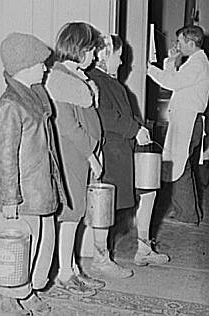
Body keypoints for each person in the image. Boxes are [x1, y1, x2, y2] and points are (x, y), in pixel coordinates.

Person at [0, 32, 66, 315]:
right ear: (24, 66)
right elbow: (3, 157)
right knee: (21, 249)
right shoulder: (10, 105)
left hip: (42, 187)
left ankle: (29, 288)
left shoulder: (34, 96)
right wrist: (10, 198)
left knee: (45, 244)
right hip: (24, 194)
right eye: (40, 63)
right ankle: (10, 297)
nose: (45, 68)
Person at [87, 33, 169, 270]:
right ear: (104, 55)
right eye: (119, 57)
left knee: (149, 190)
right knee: (104, 204)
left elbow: (125, 114)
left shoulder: (112, 82)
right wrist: (134, 129)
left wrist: (140, 129)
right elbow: (104, 116)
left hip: (127, 151)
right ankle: (100, 258)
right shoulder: (94, 81)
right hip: (111, 154)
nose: (122, 62)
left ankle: (144, 248)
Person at [45, 22, 106, 297]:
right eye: (91, 50)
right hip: (72, 156)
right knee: (71, 215)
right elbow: (69, 127)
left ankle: (72, 267)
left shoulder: (74, 76)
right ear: (78, 49)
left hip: (78, 157)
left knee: (76, 214)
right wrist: (91, 155)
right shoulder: (61, 79)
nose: (94, 56)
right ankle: (65, 274)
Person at [147, 25, 209, 225]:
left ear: (191, 43)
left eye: (180, 42)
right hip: (185, 120)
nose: (177, 45)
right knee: (179, 165)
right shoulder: (194, 62)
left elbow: (172, 83)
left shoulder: (198, 63)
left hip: (189, 121)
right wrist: (171, 60)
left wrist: (147, 68)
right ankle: (185, 211)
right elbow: (173, 79)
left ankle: (188, 215)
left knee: (180, 166)